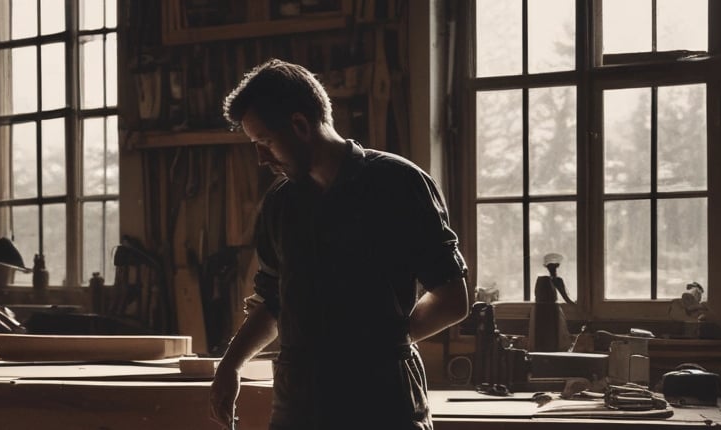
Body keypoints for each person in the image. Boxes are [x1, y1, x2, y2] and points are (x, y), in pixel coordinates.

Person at [208, 58, 470, 430]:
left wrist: (386, 342)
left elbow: (452, 297)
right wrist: (230, 365)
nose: (261, 158)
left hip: (381, 403)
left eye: (265, 142)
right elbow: (273, 303)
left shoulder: (397, 184)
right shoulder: (281, 203)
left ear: (299, 125)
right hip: (298, 407)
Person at [528, 253, 573, 352]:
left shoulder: (540, 280)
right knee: (552, 338)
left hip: (539, 311)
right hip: (551, 312)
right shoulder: (556, 280)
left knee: (543, 340)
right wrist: (577, 306)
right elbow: (566, 298)